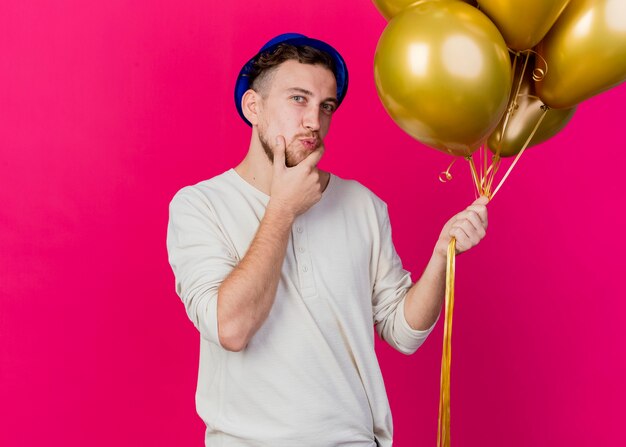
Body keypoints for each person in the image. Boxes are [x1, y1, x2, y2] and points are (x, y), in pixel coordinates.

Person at [166, 33, 488, 447]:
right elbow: (230, 328)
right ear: (254, 107)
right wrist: (282, 209)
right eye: (298, 99)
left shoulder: (363, 205)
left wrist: (443, 255)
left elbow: (402, 333)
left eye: (326, 106)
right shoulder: (200, 206)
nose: (313, 122)